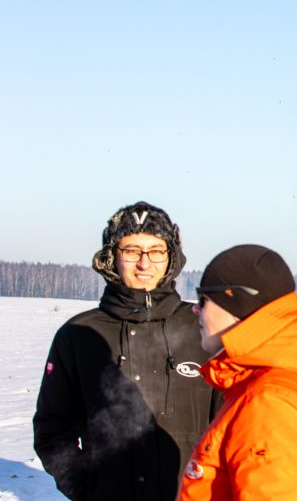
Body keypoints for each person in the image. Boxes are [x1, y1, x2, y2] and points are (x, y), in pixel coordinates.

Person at [33, 201, 220, 500]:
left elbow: (232, 422)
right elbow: (52, 429)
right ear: (112, 257)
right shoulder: (79, 336)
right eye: (132, 250)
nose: (145, 263)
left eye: (156, 250)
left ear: (171, 257)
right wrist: (86, 488)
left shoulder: (204, 329)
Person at [177, 244, 297, 500]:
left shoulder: (271, 403)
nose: (195, 309)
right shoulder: (272, 385)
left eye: (204, 299)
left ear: (236, 303)